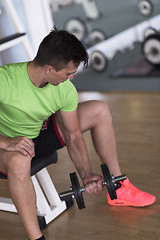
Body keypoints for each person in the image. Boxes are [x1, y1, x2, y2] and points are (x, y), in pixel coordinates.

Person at [0, 27, 156, 240]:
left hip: (37, 134)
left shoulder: (63, 88)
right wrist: (7, 142)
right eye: (68, 73)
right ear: (49, 69)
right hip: (5, 145)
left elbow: (73, 135)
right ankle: (37, 238)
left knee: (99, 110)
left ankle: (119, 188)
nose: (71, 78)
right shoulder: (5, 80)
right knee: (20, 161)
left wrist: (87, 174)